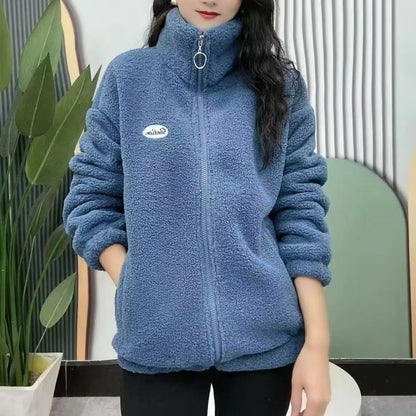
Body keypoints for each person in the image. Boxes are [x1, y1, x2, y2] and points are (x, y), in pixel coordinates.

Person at [62, 0, 333, 415]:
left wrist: (317, 343)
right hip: (156, 338)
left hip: (265, 341)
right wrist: (135, 281)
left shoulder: (280, 85)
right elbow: (90, 198)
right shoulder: (128, 79)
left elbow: (301, 211)